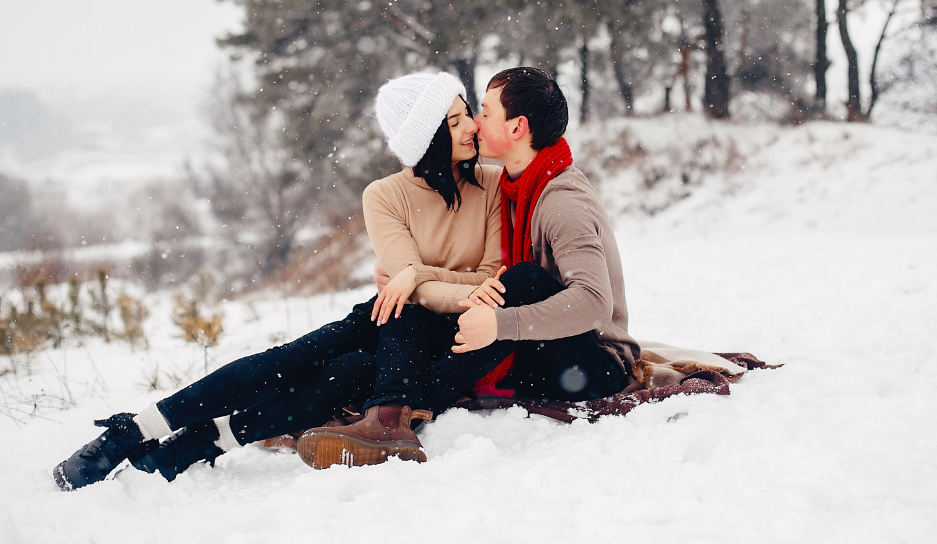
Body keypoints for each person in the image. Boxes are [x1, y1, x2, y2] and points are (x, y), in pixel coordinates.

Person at [52, 71, 504, 489]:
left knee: (349, 372)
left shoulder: (491, 184)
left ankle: (202, 442)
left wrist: (417, 274)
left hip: (449, 328)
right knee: (291, 358)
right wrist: (419, 280)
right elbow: (410, 288)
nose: (472, 126)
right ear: (426, 139)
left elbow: (475, 279)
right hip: (393, 313)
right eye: (455, 121)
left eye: (467, 114)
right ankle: (134, 432)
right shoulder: (385, 195)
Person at [297, 66, 640, 468]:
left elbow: (594, 302)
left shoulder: (563, 201)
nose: (475, 123)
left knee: (524, 279)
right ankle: (377, 413)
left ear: (517, 128)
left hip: (591, 363)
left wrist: (499, 324)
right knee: (398, 319)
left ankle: (412, 405)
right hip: (535, 348)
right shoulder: (514, 185)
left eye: (486, 112)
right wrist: (412, 275)